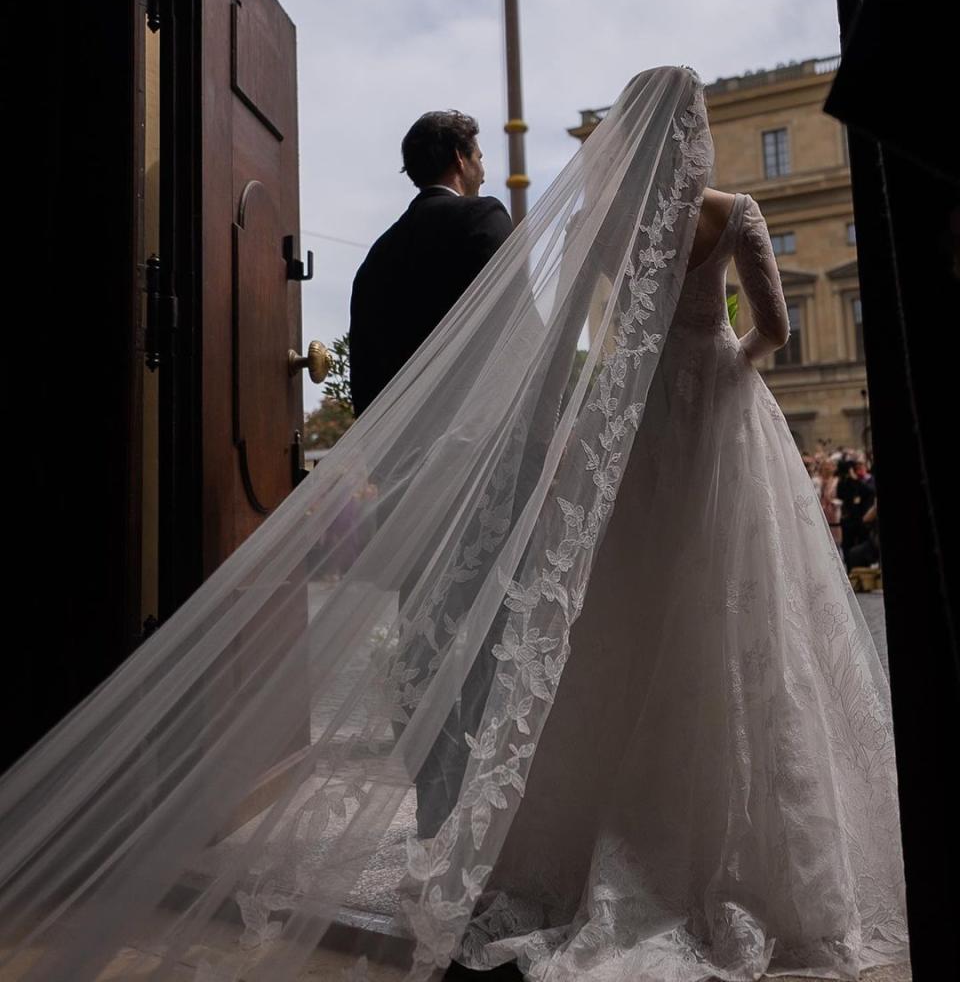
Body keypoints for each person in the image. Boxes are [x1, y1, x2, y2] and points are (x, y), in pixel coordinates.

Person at [0, 68, 907, 982]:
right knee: (594, 626)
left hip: (420, 474)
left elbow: (397, 378)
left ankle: (453, 812)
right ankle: (495, 813)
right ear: (466, 159)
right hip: (554, 453)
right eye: (478, 152)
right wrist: (623, 413)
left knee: (451, 638)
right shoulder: (501, 225)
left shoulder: (382, 257)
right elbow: (542, 346)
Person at [349, 109, 513, 418]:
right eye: (479, 158)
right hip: (475, 436)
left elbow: (363, 371)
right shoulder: (482, 217)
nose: (483, 172)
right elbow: (517, 327)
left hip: (397, 452)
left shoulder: (377, 256)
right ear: (459, 159)